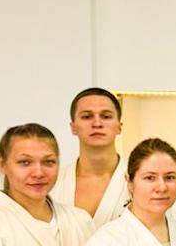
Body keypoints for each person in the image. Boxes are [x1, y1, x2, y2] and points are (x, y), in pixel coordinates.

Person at [54, 88, 127, 226]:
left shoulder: (140, 181)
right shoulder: (54, 183)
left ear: (119, 126)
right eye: (87, 117)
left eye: (106, 116)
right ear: (73, 127)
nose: (97, 124)